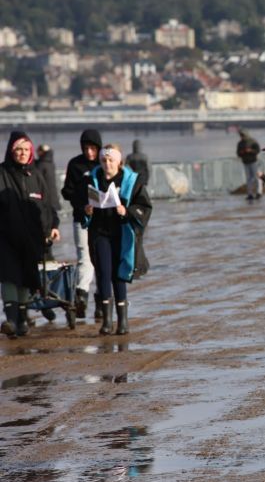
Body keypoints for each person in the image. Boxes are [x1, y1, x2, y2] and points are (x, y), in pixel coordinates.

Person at [83, 144, 152, 336]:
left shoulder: (132, 180)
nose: (107, 164)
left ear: (119, 161)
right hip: (100, 233)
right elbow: (80, 203)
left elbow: (145, 206)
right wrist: (86, 210)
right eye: (104, 160)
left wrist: (126, 211)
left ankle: (123, 321)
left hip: (122, 233)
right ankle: (106, 321)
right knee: (104, 273)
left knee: (119, 275)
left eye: (111, 160)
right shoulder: (92, 178)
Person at [0, 132, 61, 338]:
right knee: (10, 276)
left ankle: (22, 320)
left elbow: (47, 205)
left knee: (27, 278)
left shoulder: (36, 175)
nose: (23, 153)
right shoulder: (2, 173)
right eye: (18, 149)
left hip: (32, 238)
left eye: (26, 149)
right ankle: (11, 320)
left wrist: (53, 226)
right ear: (11, 151)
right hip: (5, 237)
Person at [61, 129, 102, 321]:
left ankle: (101, 303)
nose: (89, 152)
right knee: (84, 258)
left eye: (93, 148)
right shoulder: (75, 164)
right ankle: (81, 296)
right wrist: (82, 204)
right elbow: (67, 192)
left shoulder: (104, 163)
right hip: (81, 218)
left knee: (102, 261)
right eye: (86, 148)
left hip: (103, 221)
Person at [125, 139, 151, 276]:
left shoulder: (130, 157)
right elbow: (149, 169)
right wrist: (146, 180)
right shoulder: (144, 157)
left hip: (132, 185)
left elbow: (127, 169)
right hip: (142, 183)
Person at [236, 128, 262, 200]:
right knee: (248, 179)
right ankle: (250, 194)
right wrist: (242, 152)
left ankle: (259, 192)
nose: (242, 137)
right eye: (241, 135)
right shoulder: (240, 143)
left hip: (254, 162)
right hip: (245, 162)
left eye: (242, 135)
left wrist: (250, 150)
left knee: (256, 177)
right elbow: (238, 153)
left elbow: (258, 150)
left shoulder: (253, 141)